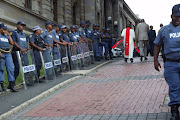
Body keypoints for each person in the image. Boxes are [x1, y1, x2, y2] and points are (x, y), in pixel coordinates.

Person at [154, 4, 180, 120]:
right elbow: (157, 44)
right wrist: (155, 60)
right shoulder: (164, 30)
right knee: (174, 86)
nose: (179, 19)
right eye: (177, 17)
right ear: (172, 16)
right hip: (171, 64)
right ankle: (174, 111)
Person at [0, 23, 17, 92]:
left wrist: (9, 35)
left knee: (11, 68)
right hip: (1, 53)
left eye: (6, 29)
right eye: (3, 29)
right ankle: (1, 85)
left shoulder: (6, 36)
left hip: (7, 53)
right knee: (1, 69)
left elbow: (12, 43)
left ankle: (11, 84)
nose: (5, 30)